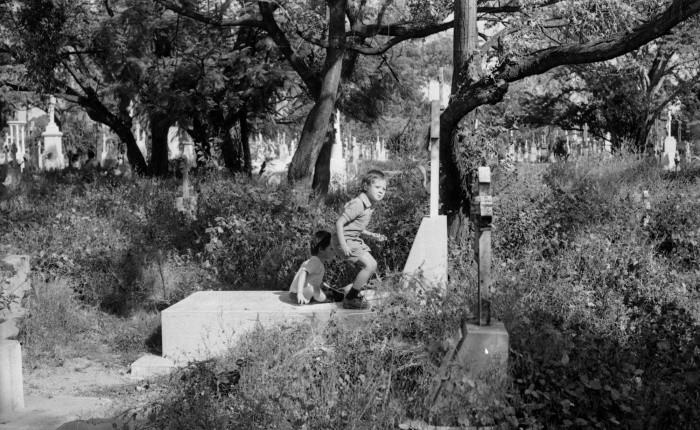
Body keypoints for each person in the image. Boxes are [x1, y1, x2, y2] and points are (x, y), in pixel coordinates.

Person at [332, 169, 387, 309]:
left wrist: (372, 235)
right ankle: (351, 298)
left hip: (351, 238)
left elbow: (355, 226)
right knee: (370, 265)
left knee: (371, 266)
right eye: (377, 187)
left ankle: (348, 291)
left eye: (384, 189)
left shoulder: (368, 205)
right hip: (343, 240)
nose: (381, 191)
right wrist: (344, 244)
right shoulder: (359, 204)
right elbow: (339, 223)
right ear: (366, 187)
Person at [289, 231, 335, 305]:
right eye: (331, 249)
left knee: (316, 288)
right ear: (321, 249)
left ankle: (328, 295)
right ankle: (328, 299)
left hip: (299, 293)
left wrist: (330, 289)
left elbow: (318, 281)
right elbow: (303, 272)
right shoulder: (315, 261)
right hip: (297, 294)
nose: (334, 251)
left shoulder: (316, 262)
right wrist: (300, 293)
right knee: (314, 288)